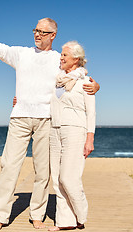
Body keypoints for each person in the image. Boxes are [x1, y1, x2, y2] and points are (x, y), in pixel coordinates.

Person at [0, 18, 99, 232]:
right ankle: (0, 217)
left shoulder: (59, 59)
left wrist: (97, 85)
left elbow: (80, 72)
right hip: (19, 117)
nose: (37, 34)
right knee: (9, 165)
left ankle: (37, 215)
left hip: (47, 119)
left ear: (52, 35)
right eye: (35, 30)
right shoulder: (22, 54)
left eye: (42, 31)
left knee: (42, 172)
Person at [48, 41, 96, 231]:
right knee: (57, 179)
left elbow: (91, 113)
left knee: (69, 178)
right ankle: (64, 222)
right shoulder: (57, 80)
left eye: (64, 55)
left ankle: (81, 215)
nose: (61, 57)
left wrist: (89, 139)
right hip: (54, 130)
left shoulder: (86, 82)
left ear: (76, 59)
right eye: (61, 54)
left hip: (75, 130)